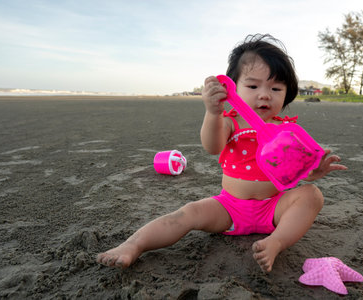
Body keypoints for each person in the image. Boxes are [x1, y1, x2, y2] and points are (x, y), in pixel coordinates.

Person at [96, 34, 347, 273]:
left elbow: (294, 173)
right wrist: (213, 114)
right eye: (252, 85)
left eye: (276, 89)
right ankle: (134, 244)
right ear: (234, 90)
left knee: (311, 195)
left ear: (287, 93)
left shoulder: (285, 132)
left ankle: (276, 242)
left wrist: (314, 173)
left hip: (273, 209)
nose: (264, 94)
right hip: (230, 208)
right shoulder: (230, 122)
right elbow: (212, 146)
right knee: (188, 213)